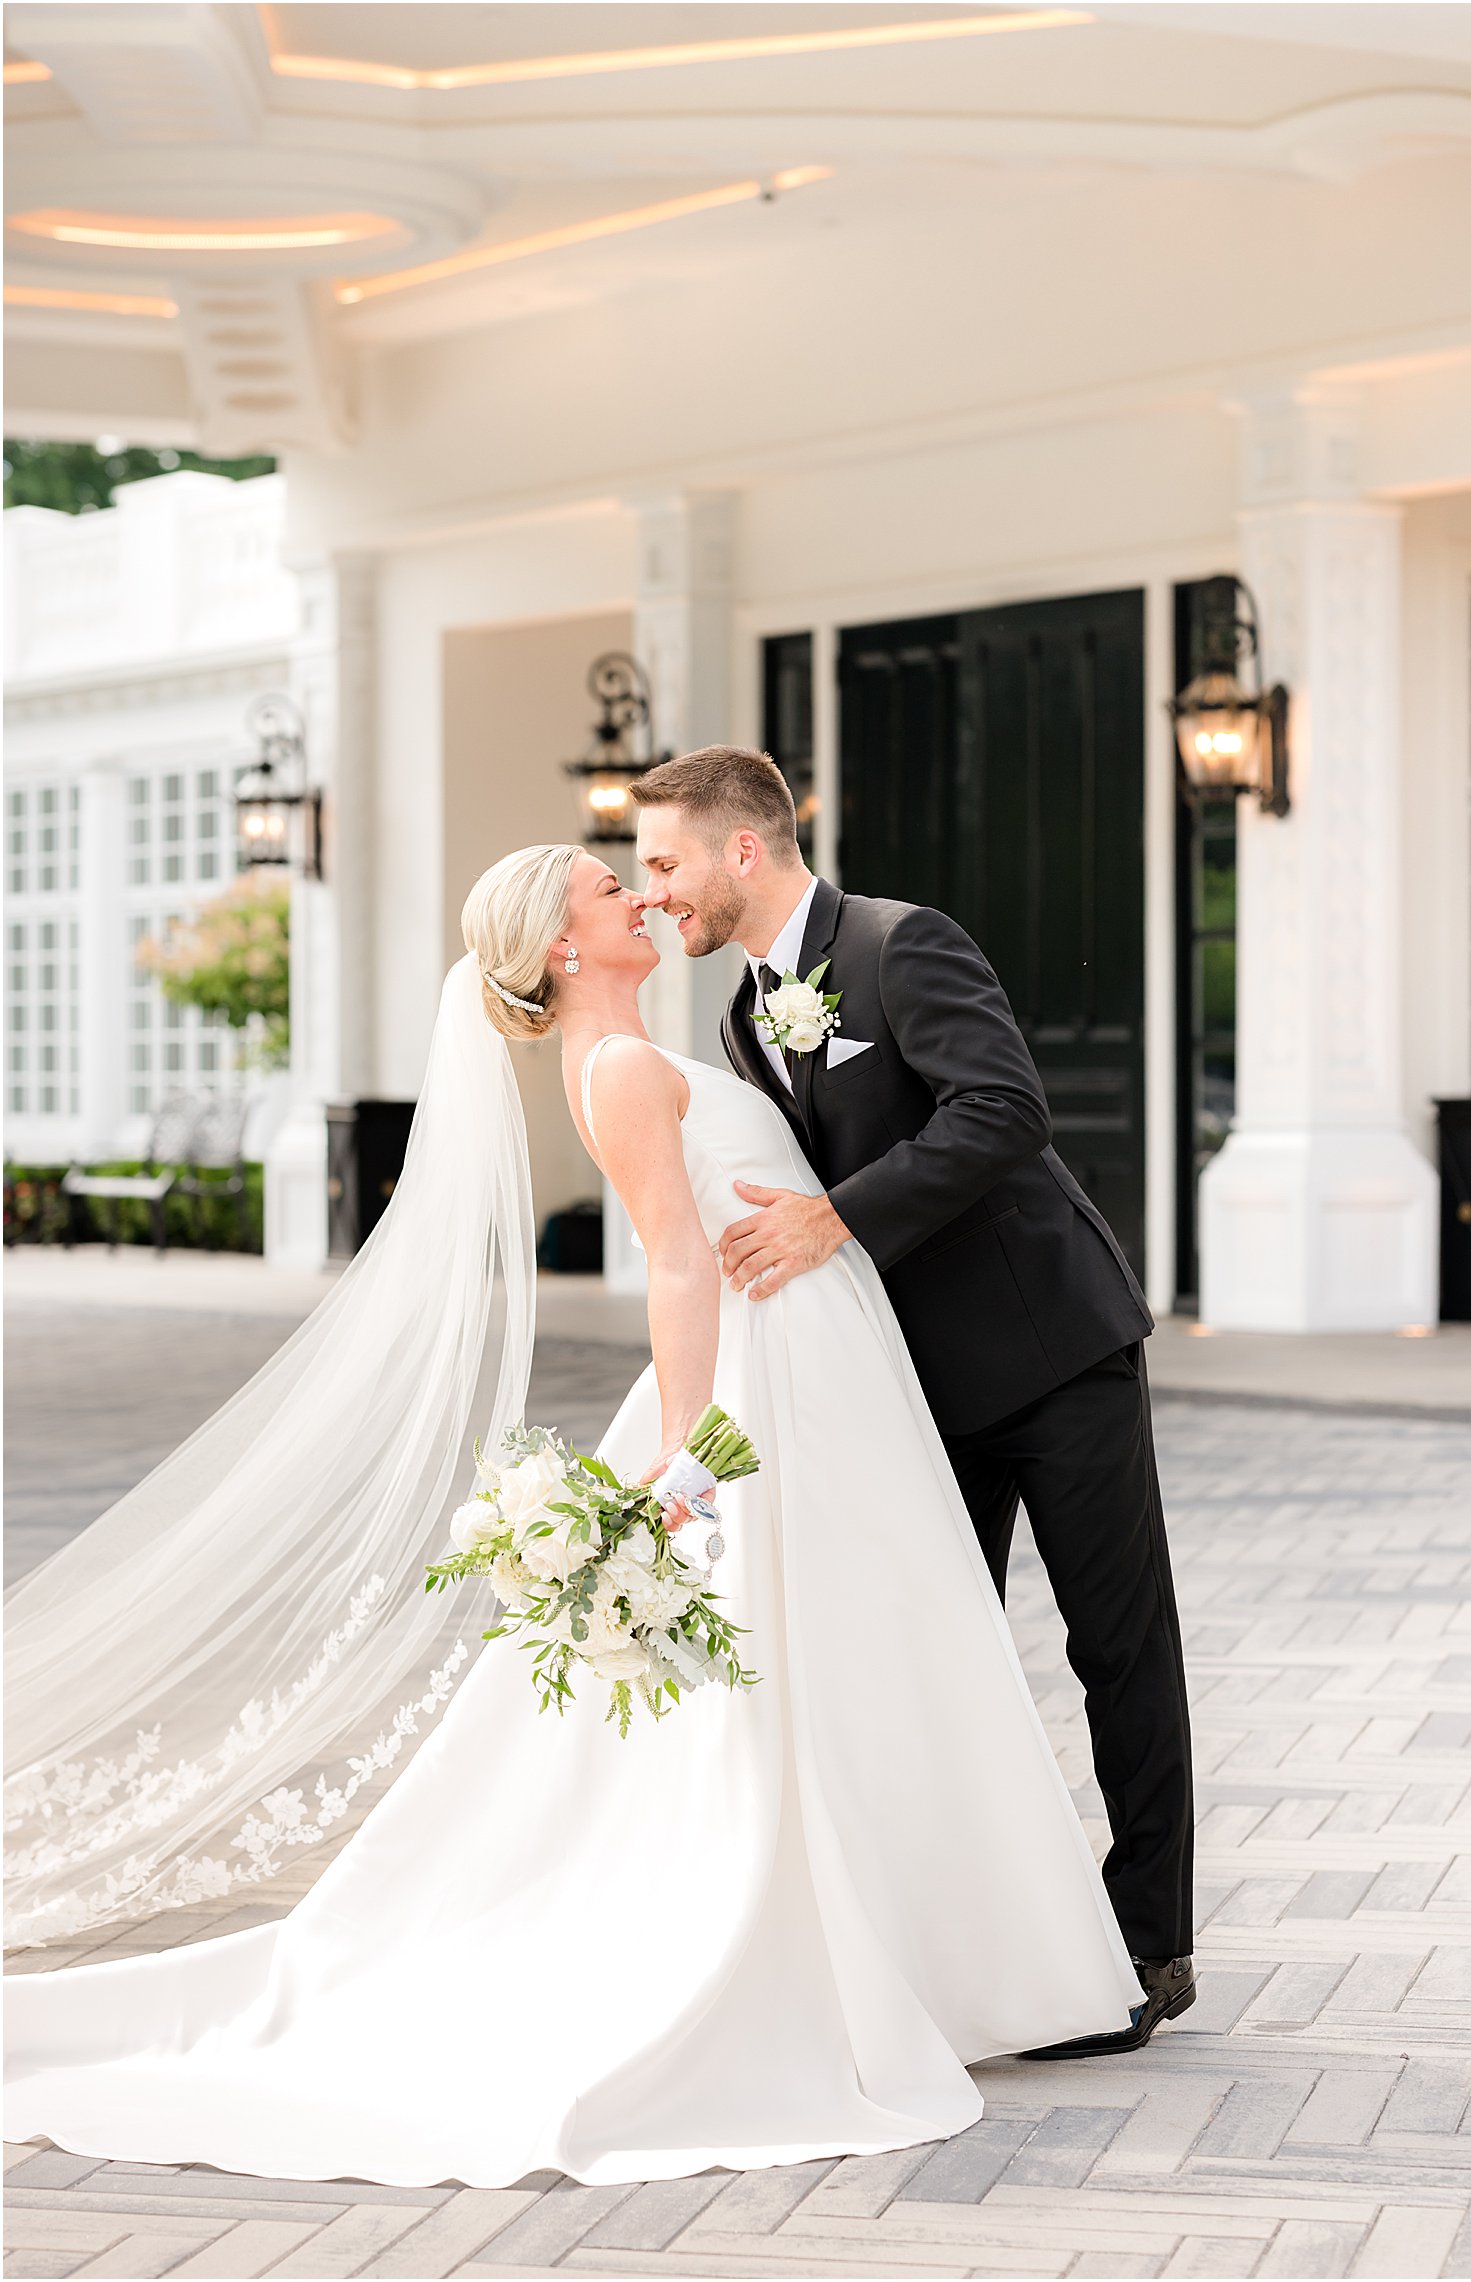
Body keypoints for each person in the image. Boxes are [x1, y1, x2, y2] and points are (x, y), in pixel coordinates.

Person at [5, 841, 1142, 2190]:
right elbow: (675, 1263)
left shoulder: (661, 1045)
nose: (642, 898)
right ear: (562, 944)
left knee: (877, 1662)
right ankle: (854, 1963)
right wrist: (691, 1461)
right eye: (615, 888)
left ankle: (936, 1959)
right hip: (765, 1389)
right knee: (823, 1679)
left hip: (826, 1367)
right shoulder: (614, 1068)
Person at [631, 747, 1196, 2057]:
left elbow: (1005, 1110)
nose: (653, 892)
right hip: (916, 1389)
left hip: (1055, 1349)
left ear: (742, 851)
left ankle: (1146, 1943)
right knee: (949, 1654)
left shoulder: (901, 945)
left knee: (1116, 1646)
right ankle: (997, 1945)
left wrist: (836, 1214)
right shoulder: (735, 1022)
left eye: (664, 862)